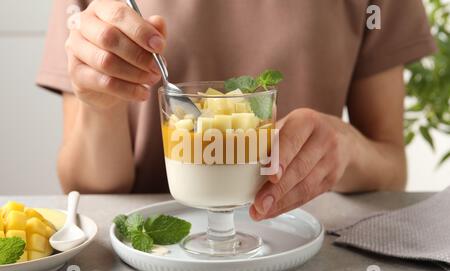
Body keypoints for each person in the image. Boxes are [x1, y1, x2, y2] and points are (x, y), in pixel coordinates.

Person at [37, 0, 436, 221]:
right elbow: (88, 188)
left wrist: (345, 148)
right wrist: (101, 103)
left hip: (301, 248)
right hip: (148, 258)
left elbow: (390, 166)